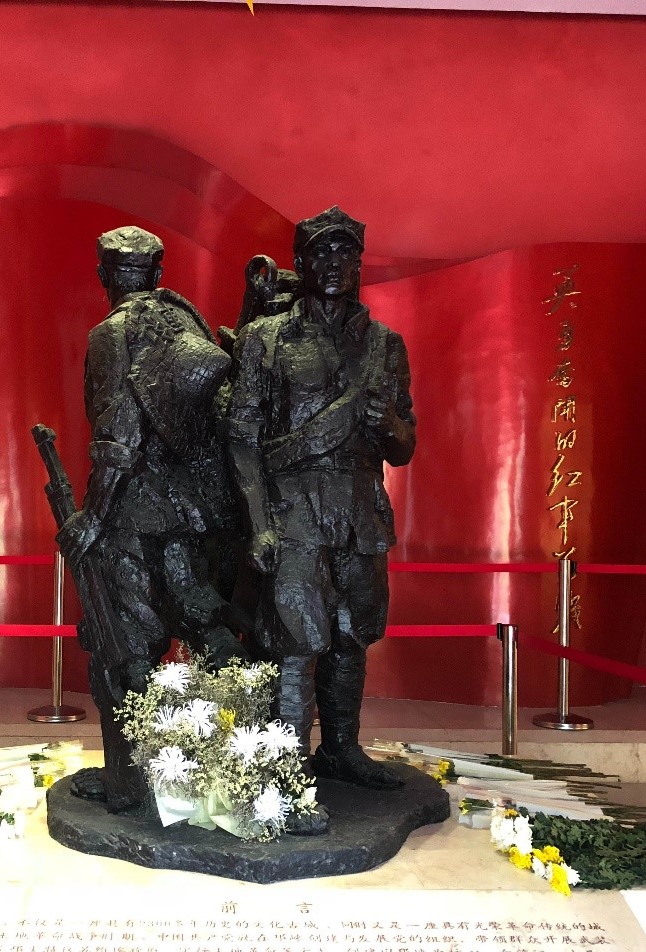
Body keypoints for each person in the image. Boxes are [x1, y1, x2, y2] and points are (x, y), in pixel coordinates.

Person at [225, 207, 416, 791]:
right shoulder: (265, 340)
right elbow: (241, 437)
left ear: (359, 264)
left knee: (352, 633)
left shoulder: (385, 345)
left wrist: (389, 425)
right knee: (294, 638)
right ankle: (285, 769)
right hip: (292, 509)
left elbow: (405, 446)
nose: (334, 264)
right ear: (301, 264)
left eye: (345, 253)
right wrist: (258, 523)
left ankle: (341, 749)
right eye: (321, 253)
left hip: (359, 511)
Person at [59, 225, 246, 812]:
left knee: (126, 646)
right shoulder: (188, 324)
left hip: (134, 515)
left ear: (104, 276)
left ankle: (132, 780)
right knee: (204, 625)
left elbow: (118, 434)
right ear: (158, 274)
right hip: (198, 513)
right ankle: (244, 764)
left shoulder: (112, 333)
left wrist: (94, 517)